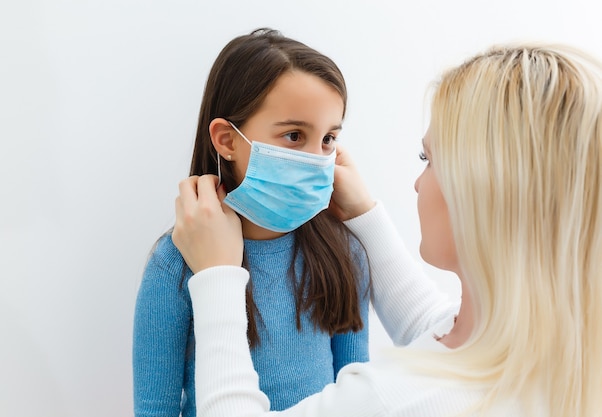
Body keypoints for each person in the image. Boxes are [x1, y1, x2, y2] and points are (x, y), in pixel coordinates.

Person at [174, 43, 602, 416]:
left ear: (484, 194)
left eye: (428, 160)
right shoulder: (569, 353)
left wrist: (216, 276)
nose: (418, 183)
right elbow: (436, 329)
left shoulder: (391, 399)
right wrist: (366, 216)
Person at [133, 28, 455, 417]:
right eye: (293, 135)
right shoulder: (175, 263)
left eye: (328, 139)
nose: (316, 158)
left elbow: (354, 385)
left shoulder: (344, 252)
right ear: (227, 140)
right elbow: (155, 408)